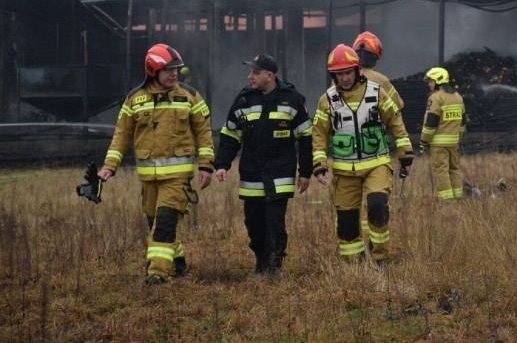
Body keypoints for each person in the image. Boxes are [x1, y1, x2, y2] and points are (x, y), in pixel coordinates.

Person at [98, 43, 214, 285]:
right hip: (148, 179)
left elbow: (204, 133)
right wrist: (109, 166)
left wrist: (206, 165)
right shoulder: (134, 100)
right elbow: (121, 135)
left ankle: (157, 274)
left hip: (178, 179)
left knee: (164, 223)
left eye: (176, 69)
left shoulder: (190, 96)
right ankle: (178, 264)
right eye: (168, 70)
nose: (174, 74)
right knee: (156, 223)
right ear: (153, 71)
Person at [311, 43, 414, 266]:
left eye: (348, 72)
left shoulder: (377, 93)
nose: (344, 78)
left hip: (377, 164)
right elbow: (318, 135)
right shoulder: (326, 101)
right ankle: (355, 265)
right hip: (344, 171)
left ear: (357, 70)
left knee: (377, 206)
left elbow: (396, 122)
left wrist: (405, 154)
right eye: (339, 74)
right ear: (333, 76)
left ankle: (379, 259)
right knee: (347, 223)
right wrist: (319, 165)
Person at [214, 53, 313, 277]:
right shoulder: (244, 100)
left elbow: (306, 138)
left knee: (275, 222)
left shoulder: (293, 99)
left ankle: (275, 264)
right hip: (251, 173)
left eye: (255, 73)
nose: (250, 76)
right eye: (250, 72)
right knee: (254, 223)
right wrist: (222, 164)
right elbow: (230, 135)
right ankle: (260, 261)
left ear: (270, 75)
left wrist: (305, 172)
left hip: (280, 173)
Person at [352, 30, 403, 235]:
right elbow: (397, 106)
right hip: (375, 150)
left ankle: (356, 244)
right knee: (376, 200)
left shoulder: (341, 80)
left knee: (349, 204)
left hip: (347, 153)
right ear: (376, 56)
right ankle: (376, 244)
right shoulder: (382, 80)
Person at [420, 67, 467, 201]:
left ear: (438, 81)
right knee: (455, 170)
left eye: (431, 81)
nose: (429, 84)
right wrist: (459, 139)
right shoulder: (458, 97)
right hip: (454, 144)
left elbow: (430, 124)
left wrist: (424, 142)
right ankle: (458, 198)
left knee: (441, 171)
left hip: (439, 145)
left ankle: (447, 203)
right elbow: (463, 123)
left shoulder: (436, 98)